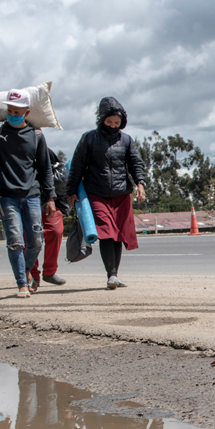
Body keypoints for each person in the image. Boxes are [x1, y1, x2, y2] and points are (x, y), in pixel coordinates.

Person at [0, 89, 55, 299]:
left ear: (27, 112)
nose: (13, 114)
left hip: (31, 194)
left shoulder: (36, 136)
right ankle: (22, 283)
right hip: (5, 195)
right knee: (14, 240)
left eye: (17, 111)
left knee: (36, 242)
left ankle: (26, 271)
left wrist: (50, 198)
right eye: (10, 110)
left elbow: (45, 169)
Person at [67, 97, 146, 289]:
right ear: (101, 119)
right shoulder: (89, 138)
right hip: (96, 193)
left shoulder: (126, 140)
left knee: (117, 235)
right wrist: (70, 191)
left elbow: (136, 163)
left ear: (122, 123)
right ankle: (111, 275)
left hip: (121, 195)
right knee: (106, 233)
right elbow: (77, 166)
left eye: (117, 123)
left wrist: (140, 184)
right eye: (109, 122)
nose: (112, 126)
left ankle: (114, 275)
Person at [29, 153, 70, 289]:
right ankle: (32, 274)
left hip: (49, 201)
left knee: (56, 231)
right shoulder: (15, 148)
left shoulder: (44, 149)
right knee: (29, 239)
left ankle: (49, 272)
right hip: (27, 201)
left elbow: (60, 173)